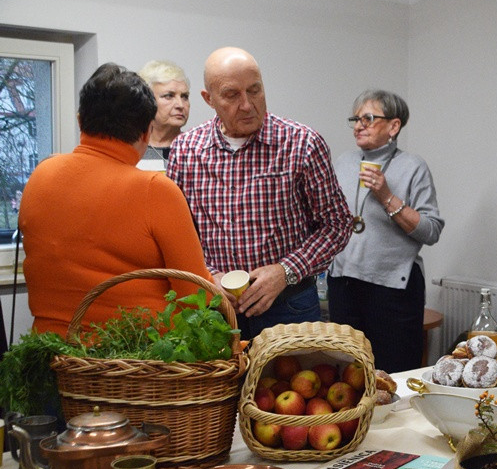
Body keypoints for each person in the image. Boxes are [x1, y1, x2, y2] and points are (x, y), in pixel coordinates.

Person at [167, 47, 353, 340]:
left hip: (289, 304)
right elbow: (175, 232)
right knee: (220, 387)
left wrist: (286, 271)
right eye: (231, 95)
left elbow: (338, 224)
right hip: (215, 309)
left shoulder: (301, 143)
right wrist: (206, 277)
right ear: (209, 99)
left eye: (255, 91)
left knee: (292, 386)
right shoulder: (186, 150)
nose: (247, 105)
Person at [19, 63, 210, 336]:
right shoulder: (156, 190)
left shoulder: (41, 174)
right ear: (146, 132)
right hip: (135, 364)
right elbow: (196, 296)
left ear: (80, 121)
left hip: (53, 357)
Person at [326, 90, 444, 372]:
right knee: (347, 373)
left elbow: (431, 231)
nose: (358, 125)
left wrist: (386, 196)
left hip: (393, 290)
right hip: (343, 284)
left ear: (394, 126)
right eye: (355, 119)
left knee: (394, 373)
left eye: (367, 118)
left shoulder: (413, 167)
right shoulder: (342, 163)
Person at [137, 60, 190, 167]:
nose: (180, 105)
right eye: (169, 96)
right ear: (147, 100)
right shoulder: (131, 149)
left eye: (184, 96)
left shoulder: (196, 149)